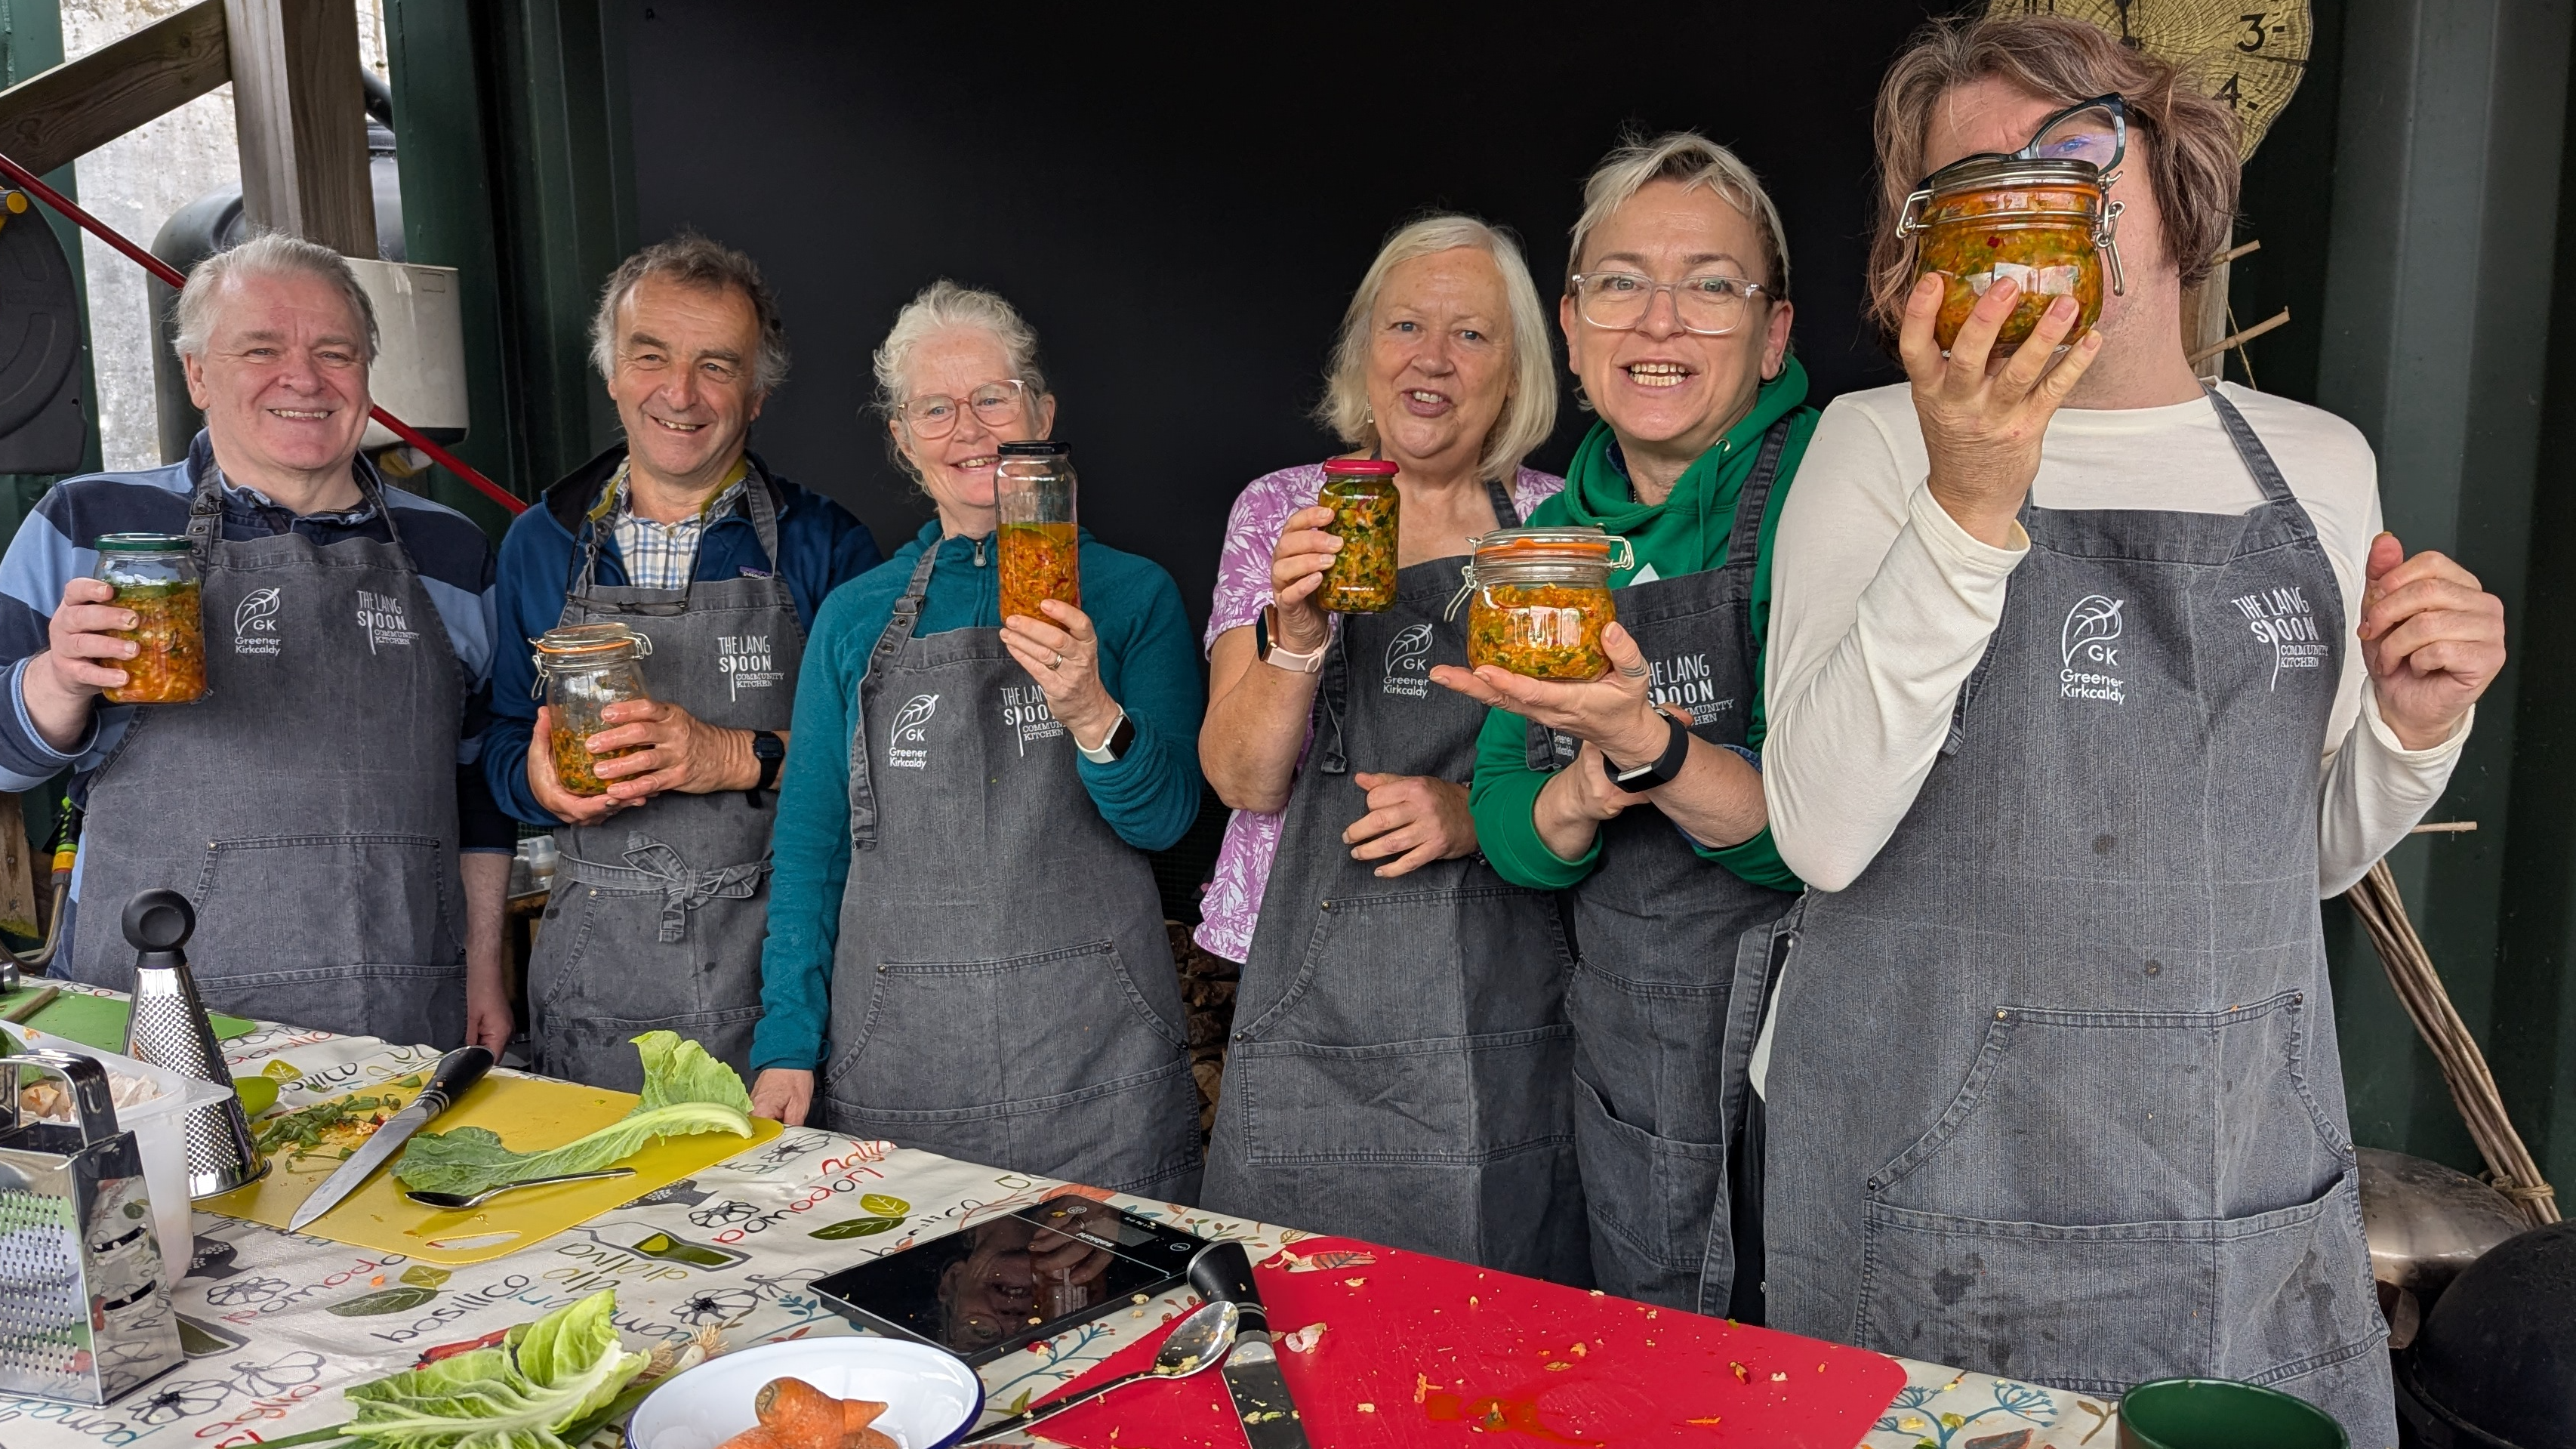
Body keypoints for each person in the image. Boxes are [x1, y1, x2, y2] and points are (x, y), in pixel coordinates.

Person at [1758, 18, 2504, 1438]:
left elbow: (2304, 858)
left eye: (2072, 145)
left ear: (2180, 178)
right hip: (1936, 1175)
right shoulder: (1868, 444)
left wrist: (2415, 724)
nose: (2024, 191)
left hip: (2233, 1176)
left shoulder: (2319, 461)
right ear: (1934, 244)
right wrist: (1968, 500)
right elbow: (1822, 825)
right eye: (1970, 177)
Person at [1432, 133, 1812, 1313]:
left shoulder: (1837, 482)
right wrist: (1585, 790)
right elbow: (1506, 823)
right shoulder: (1550, 541)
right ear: (1574, 325)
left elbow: (1827, 826)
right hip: (1637, 1046)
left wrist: (1644, 745)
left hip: (1813, 1040)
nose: (1660, 322)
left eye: (1710, 285)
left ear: (1775, 334)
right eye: (1621, 283)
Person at [749, 281, 1203, 1202]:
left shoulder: (1131, 594)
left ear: (1041, 412)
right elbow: (810, 845)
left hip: (1096, 1057)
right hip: (907, 1060)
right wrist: (787, 1042)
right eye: (936, 408)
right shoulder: (854, 617)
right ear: (902, 440)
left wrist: (1089, 708)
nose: (970, 428)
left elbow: (1169, 822)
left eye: (993, 398)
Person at [0, 233, 511, 1046]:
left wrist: (486, 961)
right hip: (157, 1018)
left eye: (334, 352)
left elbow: (482, 785)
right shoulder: (87, 523)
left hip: (403, 1013)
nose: (303, 378)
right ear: (196, 372)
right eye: (261, 349)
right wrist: (59, 679)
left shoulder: (453, 550)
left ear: (367, 375)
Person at [1194, 215, 1582, 1279]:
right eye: (1405, 323)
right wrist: (1300, 634)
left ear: (1517, 374)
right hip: (1302, 984)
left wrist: (1471, 816)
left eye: (1472, 335)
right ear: (1365, 347)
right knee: (1301, 1311)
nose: (1431, 358)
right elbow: (1240, 776)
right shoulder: (1285, 508)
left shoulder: (1556, 526)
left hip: (1504, 976)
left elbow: (1601, 761)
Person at [488, 234, 880, 1090]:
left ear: (758, 392)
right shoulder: (541, 542)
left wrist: (731, 754)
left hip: (786, 977)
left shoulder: (827, 546)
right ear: (612, 374)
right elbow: (495, 740)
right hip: (598, 976)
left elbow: (885, 761)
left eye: (716, 364)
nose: (680, 392)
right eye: (651, 356)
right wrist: (534, 779)